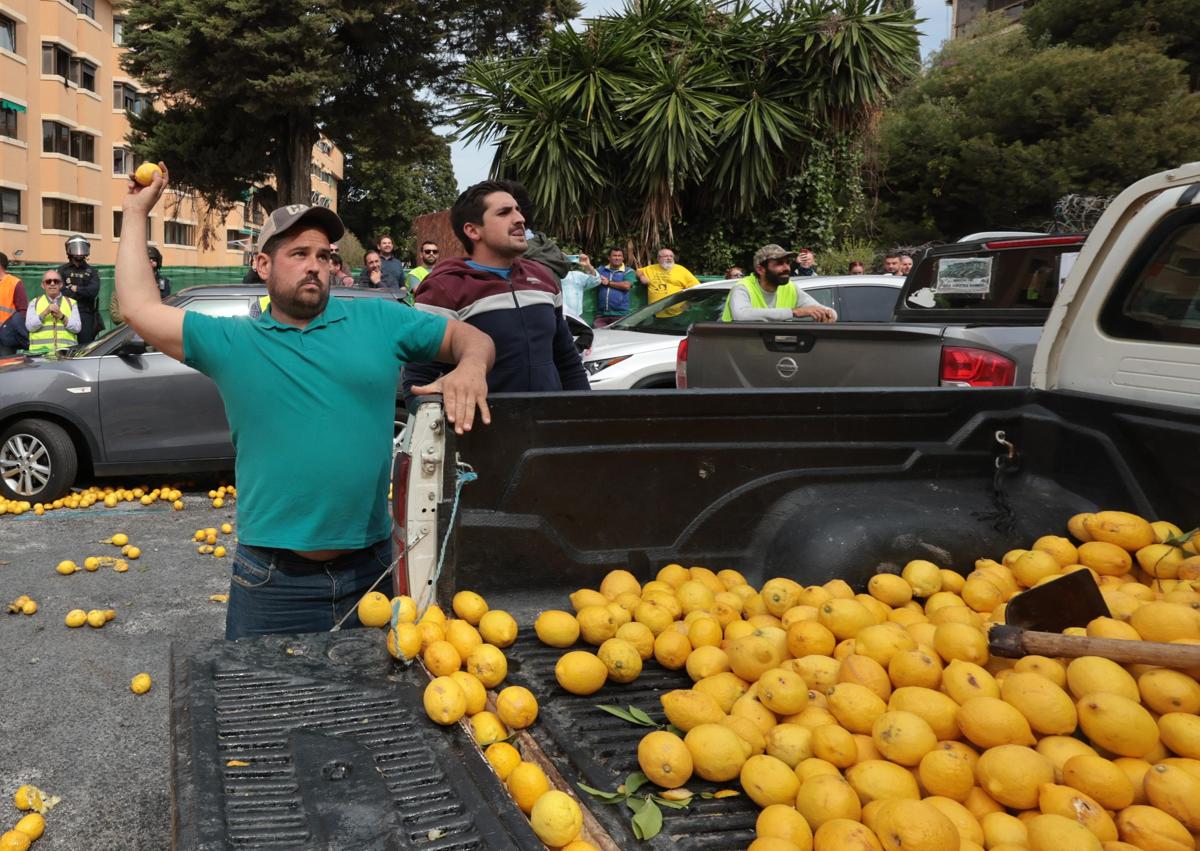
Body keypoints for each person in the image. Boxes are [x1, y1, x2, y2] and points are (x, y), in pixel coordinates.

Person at [114, 164, 495, 640]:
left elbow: (470, 336)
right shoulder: (232, 341)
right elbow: (138, 307)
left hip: (371, 573)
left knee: (376, 711)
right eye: (298, 253)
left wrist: (470, 367)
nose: (315, 264)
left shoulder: (379, 319)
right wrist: (135, 213)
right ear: (264, 265)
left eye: (324, 255)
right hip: (272, 582)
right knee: (263, 708)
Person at [404, 179, 590, 398]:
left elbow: (567, 361)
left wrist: (583, 414)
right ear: (473, 231)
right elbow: (418, 383)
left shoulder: (543, 278)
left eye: (518, 211)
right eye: (504, 213)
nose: (520, 219)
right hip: (482, 430)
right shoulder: (443, 288)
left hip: (547, 427)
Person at [721, 244, 837, 323]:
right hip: (738, 354)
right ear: (760, 269)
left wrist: (827, 315)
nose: (787, 268)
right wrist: (794, 312)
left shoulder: (790, 288)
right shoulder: (742, 288)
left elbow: (830, 313)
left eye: (787, 262)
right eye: (779, 263)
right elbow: (741, 315)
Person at [58, 235, 102, 345]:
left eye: (82, 246)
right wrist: (82, 292)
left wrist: (75, 288)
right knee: (65, 345)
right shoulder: (62, 270)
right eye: (75, 247)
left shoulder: (92, 271)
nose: (79, 251)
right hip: (66, 312)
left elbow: (93, 292)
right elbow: (62, 292)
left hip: (85, 314)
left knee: (85, 347)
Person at [26, 270, 82, 354]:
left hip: (66, 354)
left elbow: (77, 328)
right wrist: (45, 312)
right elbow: (30, 327)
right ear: (42, 285)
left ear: (61, 284)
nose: (52, 284)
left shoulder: (71, 303)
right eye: (48, 281)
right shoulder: (34, 302)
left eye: (56, 281)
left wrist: (62, 316)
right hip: (40, 355)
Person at [636, 248, 700, 317]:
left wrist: (688, 304)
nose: (669, 258)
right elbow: (638, 271)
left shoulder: (681, 270)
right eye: (666, 256)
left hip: (678, 314)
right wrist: (642, 276)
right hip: (655, 313)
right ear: (658, 258)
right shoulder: (650, 269)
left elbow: (697, 288)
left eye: (671, 256)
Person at [595, 248, 636, 328]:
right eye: (614, 255)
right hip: (601, 315)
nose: (617, 258)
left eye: (619, 256)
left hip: (621, 315)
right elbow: (592, 274)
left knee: (620, 339)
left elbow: (626, 286)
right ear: (609, 258)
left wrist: (608, 282)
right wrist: (587, 265)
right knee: (599, 338)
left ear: (623, 258)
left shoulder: (628, 271)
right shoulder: (601, 270)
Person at [0, 252, 29, 355]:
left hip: (5, 339)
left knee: (5, 369)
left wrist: (10, 329)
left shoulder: (14, 283)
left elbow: (23, 311)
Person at [560, 253, 601, 319]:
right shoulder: (548, 275)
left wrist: (588, 266)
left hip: (575, 318)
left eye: (564, 259)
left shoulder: (577, 275)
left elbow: (596, 281)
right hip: (556, 316)